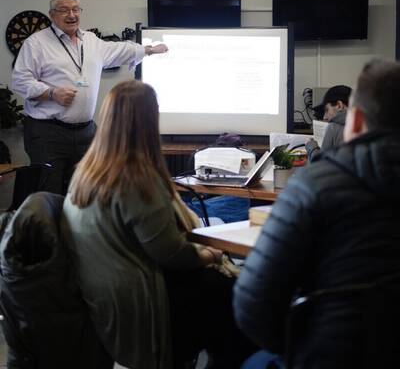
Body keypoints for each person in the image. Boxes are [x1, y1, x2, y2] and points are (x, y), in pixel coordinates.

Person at [61, 80, 253, 369]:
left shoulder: (86, 174)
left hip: (109, 306)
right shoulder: (137, 179)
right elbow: (172, 254)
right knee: (243, 301)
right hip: (147, 306)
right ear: (149, 121)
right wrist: (209, 256)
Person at [233, 59, 400, 368]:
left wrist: (293, 345)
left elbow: (253, 306)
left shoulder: (313, 186)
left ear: (357, 120)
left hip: (331, 352)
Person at [12, 0, 168, 195]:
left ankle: (76, 227)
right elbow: (20, 81)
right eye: (64, 10)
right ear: (52, 15)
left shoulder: (91, 41)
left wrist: (148, 49)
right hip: (48, 133)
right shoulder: (36, 43)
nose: (72, 15)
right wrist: (51, 93)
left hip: (85, 133)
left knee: (85, 192)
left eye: (76, 9)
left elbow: (119, 50)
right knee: (49, 193)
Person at [305, 85, 352, 160]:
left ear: (339, 105)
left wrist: (312, 147)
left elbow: (321, 166)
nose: (324, 117)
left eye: (327, 110)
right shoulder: (369, 125)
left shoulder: (333, 128)